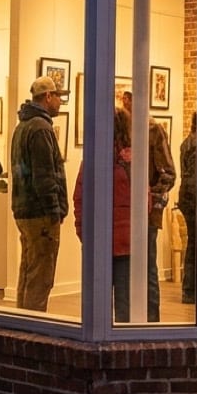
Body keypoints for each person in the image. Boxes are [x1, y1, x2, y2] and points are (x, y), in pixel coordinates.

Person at [74, 108, 141, 322]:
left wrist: (83, 231)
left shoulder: (92, 158)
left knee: (97, 304)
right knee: (125, 303)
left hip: (98, 237)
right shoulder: (132, 161)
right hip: (126, 240)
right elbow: (144, 202)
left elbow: (79, 197)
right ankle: (122, 340)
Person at [10, 75, 69, 311]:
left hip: (25, 211)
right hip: (40, 214)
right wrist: (54, 211)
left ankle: (23, 322)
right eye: (58, 97)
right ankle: (34, 324)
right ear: (48, 97)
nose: (60, 102)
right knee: (41, 276)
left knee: (28, 270)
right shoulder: (41, 128)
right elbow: (44, 175)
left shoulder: (23, 126)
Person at [121, 91, 175, 322]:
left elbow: (168, 173)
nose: (125, 105)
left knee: (148, 265)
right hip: (123, 210)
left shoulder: (153, 130)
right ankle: (125, 321)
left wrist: (150, 197)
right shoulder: (119, 132)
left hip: (146, 210)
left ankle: (151, 321)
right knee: (124, 267)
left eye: (129, 101)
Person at [177, 112, 197, 305]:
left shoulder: (186, 143)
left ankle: (189, 288)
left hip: (186, 194)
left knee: (192, 241)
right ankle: (191, 289)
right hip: (196, 196)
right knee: (196, 242)